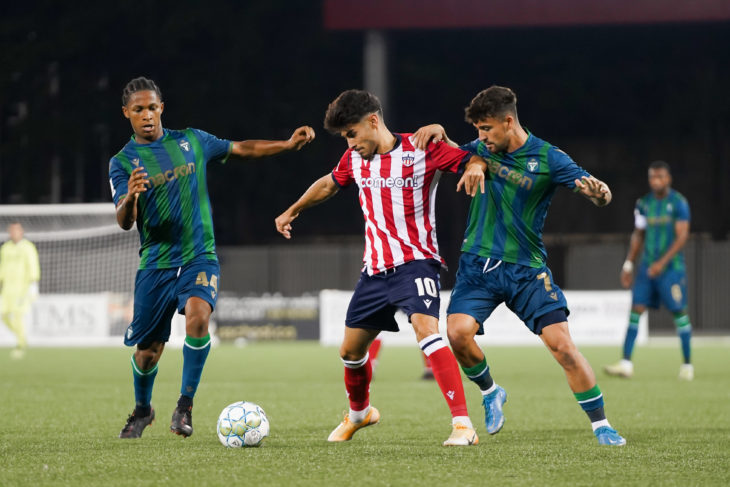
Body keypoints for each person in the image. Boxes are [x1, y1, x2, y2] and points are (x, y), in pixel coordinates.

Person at [412, 85, 626, 446]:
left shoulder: (548, 157)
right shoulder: (480, 149)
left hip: (527, 270)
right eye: (478, 129)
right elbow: (451, 154)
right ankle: (491, 391)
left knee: (563, 347)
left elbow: (595, 190)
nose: (480, 137)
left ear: (508, 122)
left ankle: (601, 424)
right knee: (457, 333)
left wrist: (600, 193)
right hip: (478, 266)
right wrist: (441, 132)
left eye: (486, 129)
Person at [275, 89, 488, 446]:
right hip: (374, 272)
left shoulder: (422, 148)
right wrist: (293, 209)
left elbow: (468, 159)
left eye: (352, 133)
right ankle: (360, 414)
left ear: (373, 121)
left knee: (427, 332)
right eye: (345, 137)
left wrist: (477, 164)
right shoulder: (354, 159)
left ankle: (463, 424)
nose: (350, 142)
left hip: (417, 263)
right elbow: (329, 184)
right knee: (350, 352)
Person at [109, 77, 315, 439]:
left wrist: (286, 144)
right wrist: (131, 198)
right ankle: (143, 410)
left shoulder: (191, 141)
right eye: (138, 109)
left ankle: (184, 406)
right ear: (126, 113)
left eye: (152, 107)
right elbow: (125, 222)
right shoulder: (122, 163)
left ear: (162, 108)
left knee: (199, 316)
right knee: (148, 353)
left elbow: (243, 149)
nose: (146, 115)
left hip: (198, 254)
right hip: (155, 263)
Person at [605, 161, 693, 380]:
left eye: (660, 177)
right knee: (636, 310)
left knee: (679, 312)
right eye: (652, 177)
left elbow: (682, 236)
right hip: (646, 267)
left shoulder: (678, 203)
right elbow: (638, 235)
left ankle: (687, 365)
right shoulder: (644, 204)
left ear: (668, 179)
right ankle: (626, 363)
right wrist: (629, 264)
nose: (656, 181)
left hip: (671, 269)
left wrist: (662, 263)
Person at [0, 222, 40, 359]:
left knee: (17, 317)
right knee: (3, 316)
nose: (13, 233)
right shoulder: (5, 248)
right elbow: (2, 267)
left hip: (22, 289)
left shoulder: (28, 247)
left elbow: (33, 265)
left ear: (21, 232)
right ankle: (21, 338)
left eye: (16, 231)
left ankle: (20, 344)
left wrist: (33, 285)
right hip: (7, 289)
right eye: (11, 231)